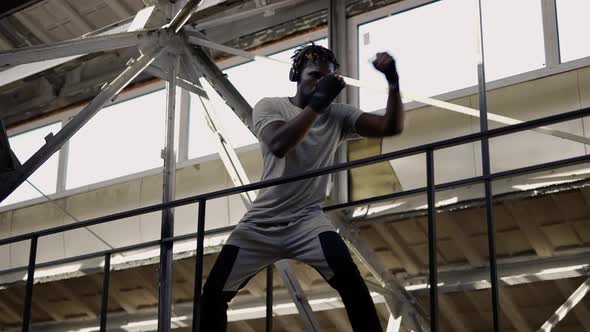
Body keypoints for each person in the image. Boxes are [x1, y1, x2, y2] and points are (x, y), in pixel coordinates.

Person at [199, 42, 403, 331]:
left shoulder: (339, 114)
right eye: (314, 76)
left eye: (326, 79)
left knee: (351, 281)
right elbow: (279, 144)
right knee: (211, 296)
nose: (320, 84)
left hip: (307, 220)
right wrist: (318, 105)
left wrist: (393, 82)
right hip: (260, 223)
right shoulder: (270, 106)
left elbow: (390, 128)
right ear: (296, 76)